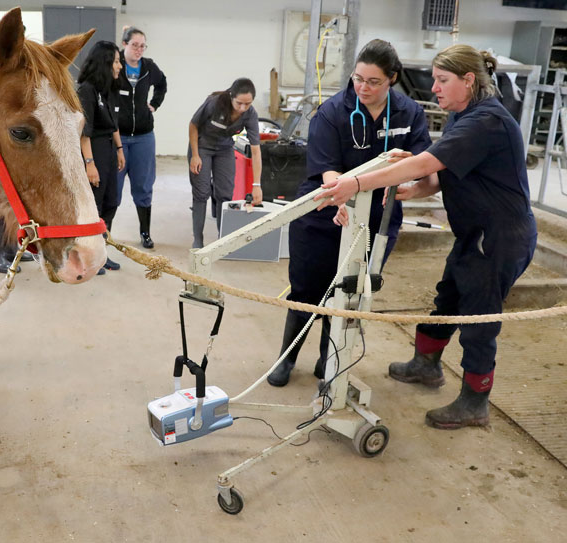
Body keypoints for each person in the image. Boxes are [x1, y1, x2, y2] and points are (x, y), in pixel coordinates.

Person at [315, 44, 537, 429]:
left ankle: (475, 402)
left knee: (478, 320)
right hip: (474, 233)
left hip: (500, 237)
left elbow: (425, 162)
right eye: (434, 79)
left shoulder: (486, 122)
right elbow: (440, 175)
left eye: (442, 80)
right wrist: (412, 189)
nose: (433, 88)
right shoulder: (459, 115)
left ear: (468, 81)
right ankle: (426, 365)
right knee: (448, 296)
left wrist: (354, 182)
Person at [267, 39, 433, 388]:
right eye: (358, 79)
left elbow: (423, 162)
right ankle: (287, 356)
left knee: (348, 292)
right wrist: (341, 198)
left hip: (377, 220)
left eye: (373, 82)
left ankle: (329, 361)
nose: (363, 87)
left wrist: (412, 181)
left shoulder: (409, 114)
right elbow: (327, 170)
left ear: (392, 79)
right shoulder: (332, 111)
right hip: (324, 212)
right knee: (307, 290)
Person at [189, 78, 263, 249]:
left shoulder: (250, 114)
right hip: (202, 147)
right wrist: (195, 155)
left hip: (224, 149)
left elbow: (256, 150)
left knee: (225, 194)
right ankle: (198, 240)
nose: (243, 108)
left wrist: (257, 184)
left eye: (248, 104)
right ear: (231, 96)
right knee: (201, 192)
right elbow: (193, 125)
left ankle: (222, 241)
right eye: (239, 103)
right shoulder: (214, 103)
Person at [116, 26, 167, 249]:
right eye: (134, 45)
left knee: (143, 187)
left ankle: (145, 232)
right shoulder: (114, 65)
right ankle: (103, 234)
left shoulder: (148, 67)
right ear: (124, 44)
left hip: (144, 137)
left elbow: (162, 84)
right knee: (112, 189)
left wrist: (154, 105)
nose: (138, 50)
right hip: (118, 138)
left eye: (142, 46)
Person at [78, 40, 125, 274]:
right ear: (105, 62)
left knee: (110, 202)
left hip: (107, 149)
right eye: (116, 61)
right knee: (93, 206)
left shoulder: (107, 89)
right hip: (93, 150)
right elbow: (84, 131)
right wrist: (90, 165)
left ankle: (102, 252)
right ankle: (90, 258)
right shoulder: (86, 89)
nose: (119, 66)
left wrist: (119, 149)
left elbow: (113, 123)